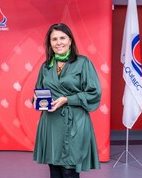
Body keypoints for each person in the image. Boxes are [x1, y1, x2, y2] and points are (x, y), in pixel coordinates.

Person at [33, 23, 101, 178]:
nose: (59, 42)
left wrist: (67, 99)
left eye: (62, 38)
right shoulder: (46, 66)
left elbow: (94, 93)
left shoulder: (83, 63)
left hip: (75, 122)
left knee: (69, 171)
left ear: (70, 40)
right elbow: (38, 90)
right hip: (51, 123)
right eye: (54, 39)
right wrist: (36, 98)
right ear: (50, 43)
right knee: (54, 170)